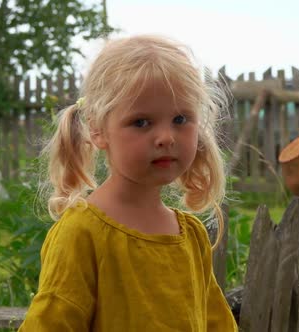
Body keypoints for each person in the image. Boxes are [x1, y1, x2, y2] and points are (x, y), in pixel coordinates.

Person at [19, 35, 237, 331]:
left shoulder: (193, 235)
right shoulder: (82, 233)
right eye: (141, 122)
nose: (166, 137)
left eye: (180, 119)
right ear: (98, 129)